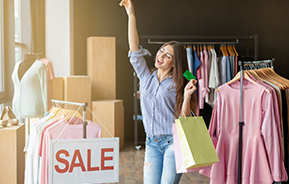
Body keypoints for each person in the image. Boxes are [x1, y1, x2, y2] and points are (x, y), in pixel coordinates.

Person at [120, 0, 198, 183]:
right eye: (161, 51)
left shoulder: (179, 83)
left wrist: (187, 95)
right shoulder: (146, 78)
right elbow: (134, 49)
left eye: (167, 55)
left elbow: (184, 117)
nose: (160, 56)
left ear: (174, 62)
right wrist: (131, 14)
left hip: (173, 143)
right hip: (151, 144)